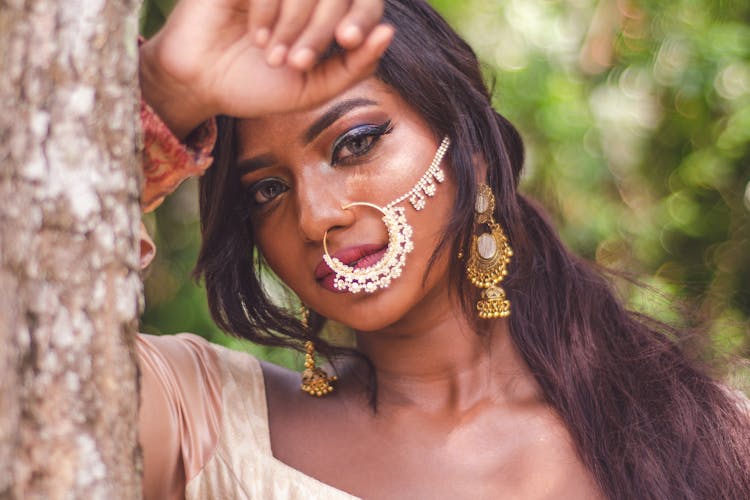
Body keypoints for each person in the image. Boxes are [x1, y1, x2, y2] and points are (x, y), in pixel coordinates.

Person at [137, 0, 750, 499]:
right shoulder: (198, 417)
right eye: (267, 189)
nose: (315, 215)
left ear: (471, 150)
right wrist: (164, 89)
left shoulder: (701, 432)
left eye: (355, 144)